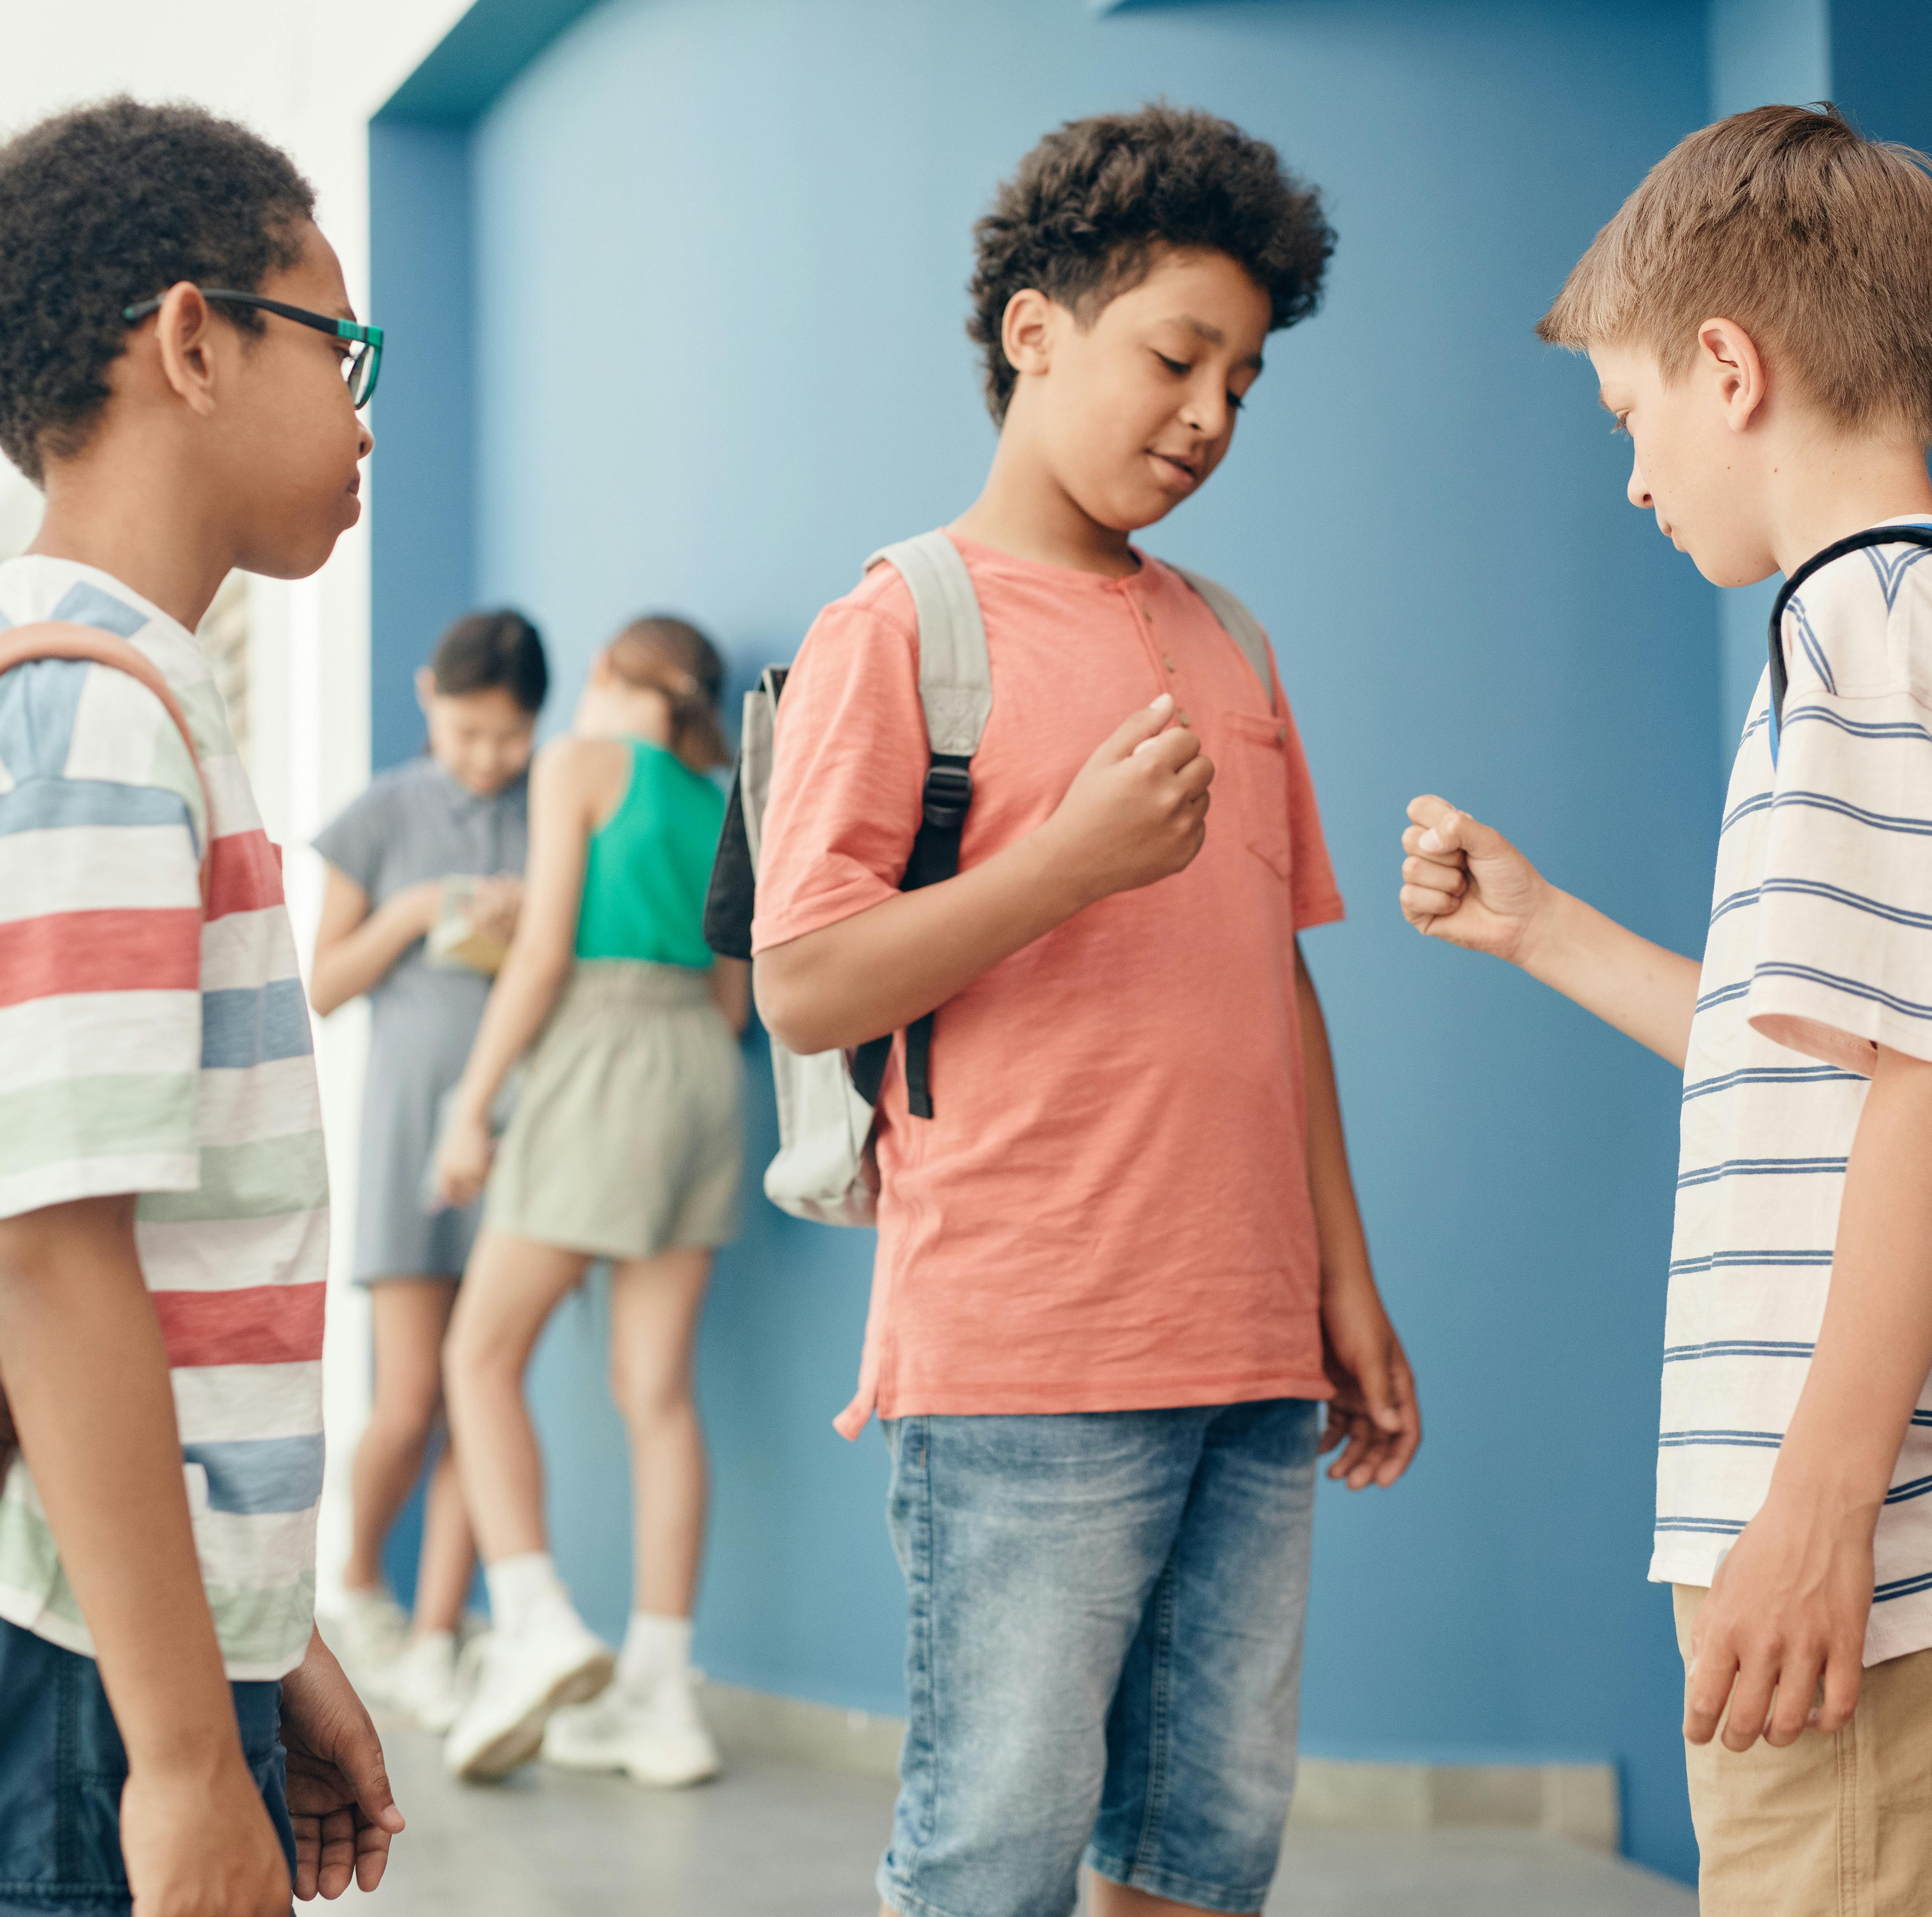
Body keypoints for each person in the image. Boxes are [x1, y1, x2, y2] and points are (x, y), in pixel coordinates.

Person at [1399, 103, 1932, 1915]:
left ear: (1724, 367)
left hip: (1884, 1548)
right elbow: (1838, 1068)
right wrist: (1545, 933)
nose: (1634, 480)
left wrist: (1813, 1519)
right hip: (1916, 1526)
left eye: (1630, 418)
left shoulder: (1860, 638)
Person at [749, 105, 1421, 1917]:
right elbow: (801, 979)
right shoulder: (904, 624)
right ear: (1033, 331)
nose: (1207, 414)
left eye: (1244, 381)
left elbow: (1272, 984)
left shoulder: (1232, 642)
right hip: (1026, 1356)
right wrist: (1066, 862)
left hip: (1250, 1352)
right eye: (1174, 357)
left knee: (1203, 1854)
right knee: (993, 1855)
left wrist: (1340, 1288)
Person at [0, 98, 402, 1912]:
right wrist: (180, 1760)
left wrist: (266, 1638)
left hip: (122, 1631)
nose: (360, 411)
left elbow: (150, 1261)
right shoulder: (75, 720)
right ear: (194, 337)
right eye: (341, 344)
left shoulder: (100, 695)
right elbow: (57, 1254)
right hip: (78, 1664)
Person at [429, 617, 749, 1787]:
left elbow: (543, 954)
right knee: (655, 1388)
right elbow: (729, 1004)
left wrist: (472, 1105)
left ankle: (530, 1619)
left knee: (478, 1352)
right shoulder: (726, 803)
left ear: (610, 678)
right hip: (702, 1079)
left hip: (599, 1055)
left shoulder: (579, 763)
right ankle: (661, 1690)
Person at [308, 610, 546, 1729]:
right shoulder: (382, 814)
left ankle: (440, 1636)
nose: (489, 757)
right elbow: (322, 984)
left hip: (524, 1123)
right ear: (427, 698)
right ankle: (356, 1581)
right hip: (412, 1125)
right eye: (467, 732)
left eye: (508, 736)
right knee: (409, 1398)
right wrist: (417, 909)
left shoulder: (556, 807)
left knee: (478, 1392)